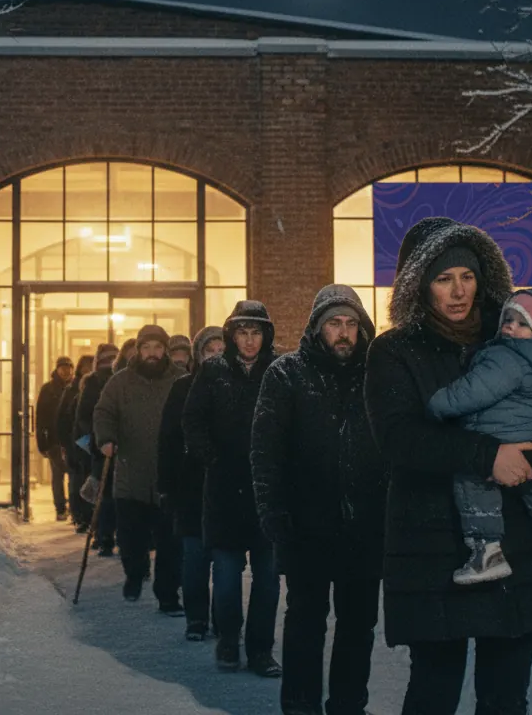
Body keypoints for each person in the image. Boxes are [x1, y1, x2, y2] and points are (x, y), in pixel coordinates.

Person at [364, 217, 532, 715]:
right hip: (433, 548)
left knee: (506, 695)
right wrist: (488, 457)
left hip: (515, 543)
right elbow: (398, 439)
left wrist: (526, 462)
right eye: (443, 279)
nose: (458, 291)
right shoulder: (395, 351)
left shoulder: (515, 336)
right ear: (420, 286)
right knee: (434, 694)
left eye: (466, 276)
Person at [251, 285, 386, 715]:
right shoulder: (287, 373)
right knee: (305, 623)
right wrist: (273, 514)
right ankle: (300, 704)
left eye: (350, 323)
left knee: (358, 625)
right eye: (334, 323)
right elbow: (265, 451)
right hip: (305, 526)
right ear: (317, 327)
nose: (343, 333)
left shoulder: (378, 374)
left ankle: (348, 704)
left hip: (365, 528)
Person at [426, 288, 532, 584]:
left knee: (473, 480)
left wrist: (438, 405)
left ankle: (487, 551)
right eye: (508, 319)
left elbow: (473, 391)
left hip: (499, 434)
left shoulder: (507, 356)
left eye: (522, 323)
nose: (510, 327)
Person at [185, 301, 283, 677]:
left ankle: (260, 650)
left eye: (256, 332)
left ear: (265, 335)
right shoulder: (213, 371)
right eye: (242, 332)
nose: (249, 340)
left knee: (268, 578)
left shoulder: (278, 370)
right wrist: (211, 457)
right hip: (224, 490)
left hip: (266, 490)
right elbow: (192, 420)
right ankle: (228, 638)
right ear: (231, 335)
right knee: (225, 576)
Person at [89, 325, 185, 611]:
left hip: (170, 476)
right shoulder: (120, 383)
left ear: (165, 351)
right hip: (131, 475)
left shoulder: (180, 380)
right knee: (131, 539)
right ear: (138, 350)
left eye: (158, 348)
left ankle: (168, 596)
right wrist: (106, 439)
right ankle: (134, 573)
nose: (152, 353)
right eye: (147, 348)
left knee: (170, 543)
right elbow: (103, 412)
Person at [158, 326, 225, 641]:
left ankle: (224, 621)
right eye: (209, 350)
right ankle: (197, 619)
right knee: (195, 559)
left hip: (227, 488)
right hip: (190, 486)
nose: (215, 355)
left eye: (221, 349)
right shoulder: (182, 388)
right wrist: (166, 485)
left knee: (226, 564)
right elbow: (168, 439)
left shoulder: (239, 385)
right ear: (199, 354)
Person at [75, 343, 120, 555]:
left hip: (103, 444)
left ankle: (104, 536)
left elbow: (83, 415)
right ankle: (106, 535)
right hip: (107, 445)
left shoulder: (96, 381)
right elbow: (85, 415)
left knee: (106, 494)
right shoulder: (104, 381)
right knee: (110, 493)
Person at [57, 354, 95, 532]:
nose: (87, 370)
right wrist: (65, 443)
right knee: (77, 480)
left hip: (92, 442)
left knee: (90, 479)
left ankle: (90, 517)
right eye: (85, 367)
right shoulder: (72, 390)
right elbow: (63, 419)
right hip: (77, 442)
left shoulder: (98, 387)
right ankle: (79, 515)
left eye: (90, 366)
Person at [34, 356, 74, 522]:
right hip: (55, 440)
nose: (66, 371)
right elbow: (40, 418)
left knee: (74, 475)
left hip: (72, 440)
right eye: (63, 368)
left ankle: (74, 507)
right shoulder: (48, 389)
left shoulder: (76, 387)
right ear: (57, 369)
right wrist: (42, 443)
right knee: (57, 476)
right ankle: (60, 508)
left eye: (69, 367)